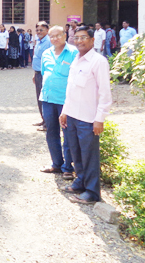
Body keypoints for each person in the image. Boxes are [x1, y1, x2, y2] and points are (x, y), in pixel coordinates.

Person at [60, 26, 112, 204]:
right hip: (73, 115)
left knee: (89, 155)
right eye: (76, 38)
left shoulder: (99, 61)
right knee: (76, 152)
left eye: (83, 37)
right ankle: (81, 182)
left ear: (92, 40)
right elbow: (71, 89)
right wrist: (65, 111)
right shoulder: (76, 59)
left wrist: (100, 119)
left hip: (88, 118)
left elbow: (105, 93)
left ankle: (92, 192)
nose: (79, 41)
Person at [39, 26, 78, 180]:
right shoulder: (46, 53)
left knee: (67, 133)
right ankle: (56, 163)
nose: (55, 39)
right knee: (51, 132)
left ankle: (68, 167)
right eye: (52, 36)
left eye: (58, 35)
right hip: (48, 99)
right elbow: (44, 73)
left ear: (65, 35)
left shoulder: (73, 53)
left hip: (65, 100)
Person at [32, 21, 51, 130]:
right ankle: (44, 120)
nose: (39, 32)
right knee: (39, 97)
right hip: (38, 73)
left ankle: (47, 124)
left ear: (47, 30)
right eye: (37, 30)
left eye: (41, 30)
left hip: (44, 74)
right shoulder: (39, 41)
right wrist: (34, 73)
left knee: (45, 98)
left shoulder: (48, 42)